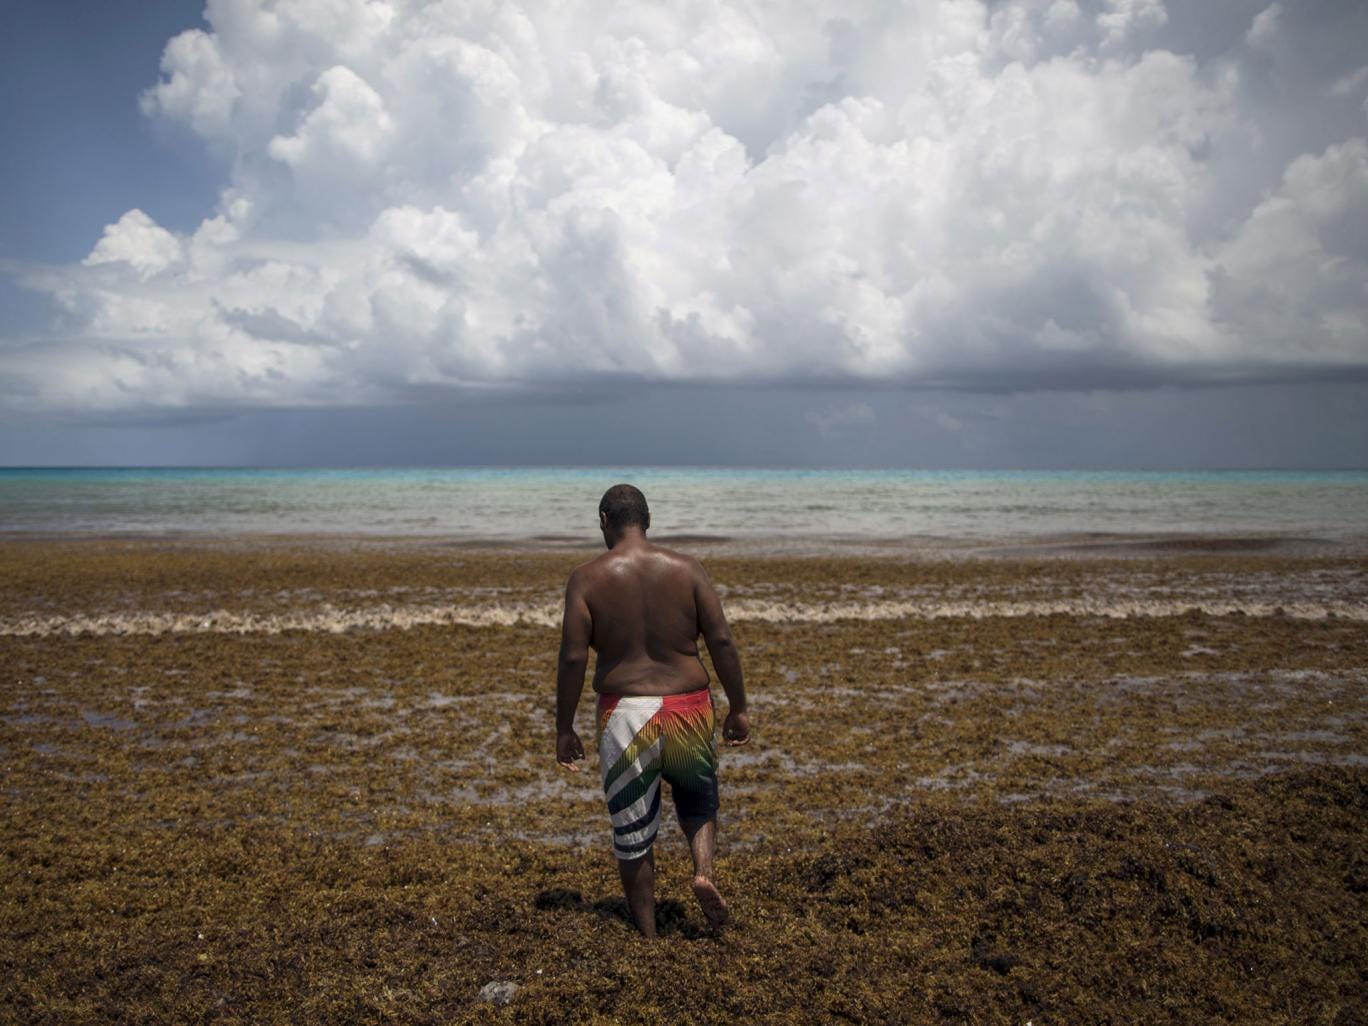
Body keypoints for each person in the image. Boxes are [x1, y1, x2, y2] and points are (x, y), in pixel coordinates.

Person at [554, 483, 751, 938]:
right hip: (689, 706)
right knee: (698, 802)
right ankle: (702, 872)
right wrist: (738, 706)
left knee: (633, 831)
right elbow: (720, 640)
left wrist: (564, 728)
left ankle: (648, 937)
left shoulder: (586, 578)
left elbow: (572, 658)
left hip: (626, 713)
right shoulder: (687, 569)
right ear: (648, 520)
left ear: (604, 520)